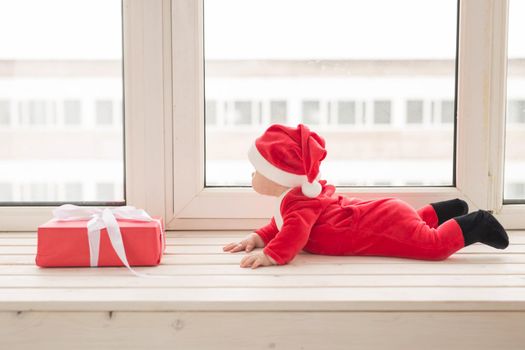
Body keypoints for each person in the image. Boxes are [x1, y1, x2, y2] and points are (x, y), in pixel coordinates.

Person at [222, 124, 509, 269]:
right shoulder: (297, 198)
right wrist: (257, 238)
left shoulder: (299, 203)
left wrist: (271, 256)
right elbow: (281, 224)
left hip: (382, 222)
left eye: (256, 170)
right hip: (387, 215)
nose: (251, 177)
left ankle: (477, 223)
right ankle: (446, 211)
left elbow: (294, 232)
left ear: (278, 175)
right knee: (413, 227)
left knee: (432, 246)